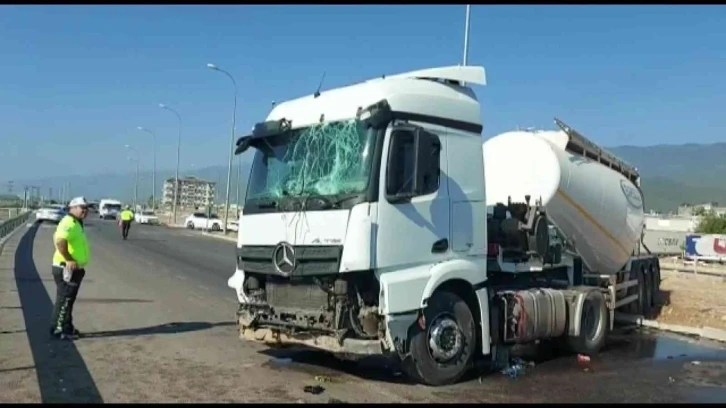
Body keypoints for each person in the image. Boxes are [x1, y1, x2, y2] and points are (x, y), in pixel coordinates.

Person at [50, 196, 90, 340]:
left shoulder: (76, 223)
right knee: (64, 299)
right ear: (72, 208)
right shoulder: (69, 222)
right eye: (81, 208)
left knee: (69, 300)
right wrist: (69, 259)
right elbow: (60, 241)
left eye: (86, 208)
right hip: (66, 268)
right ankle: (58, 329)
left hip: (75, 269)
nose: (85, 210)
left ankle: (67, 327)